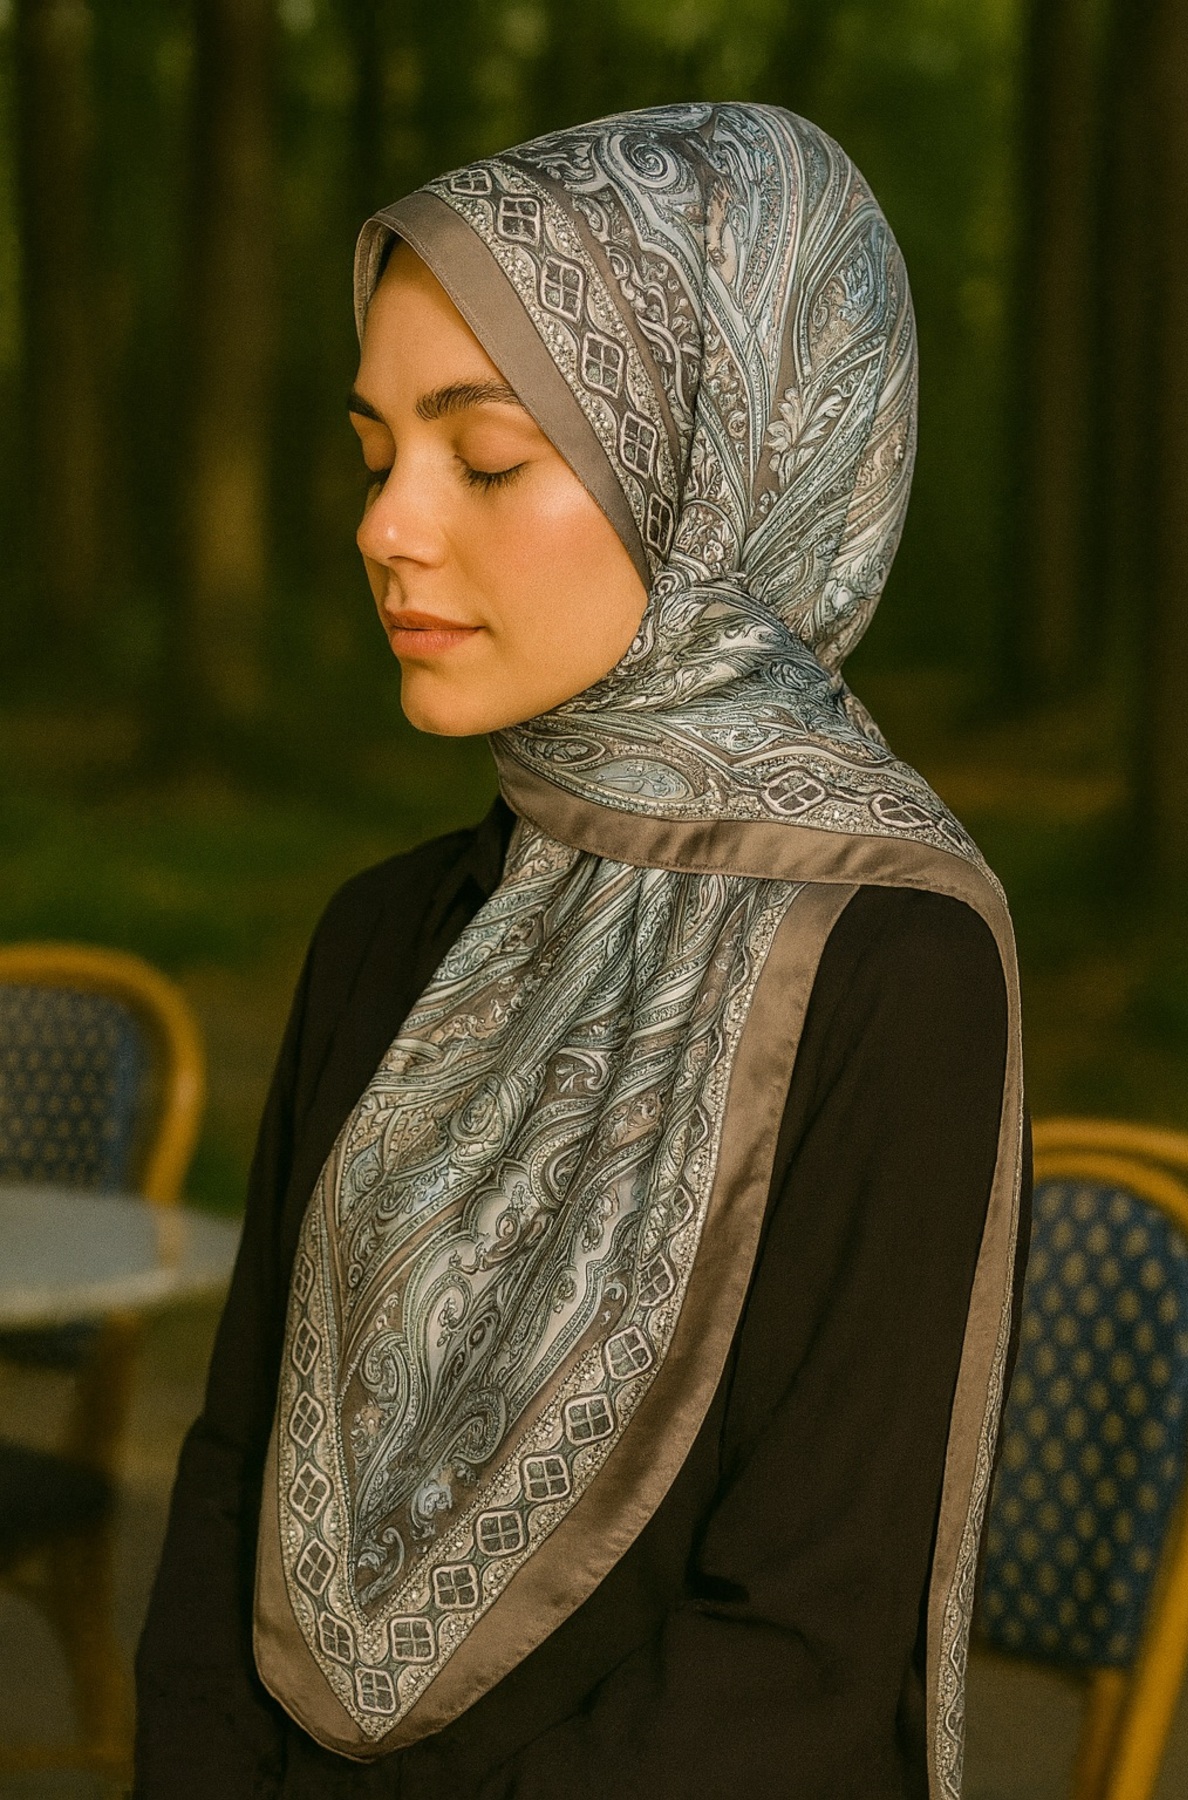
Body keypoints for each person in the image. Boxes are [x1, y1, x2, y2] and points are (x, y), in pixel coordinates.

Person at [135, 102, 1027, 1800]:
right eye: (375, 453)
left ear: (718, 478)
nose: (386, 527)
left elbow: (806, 1648)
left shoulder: (890, 966)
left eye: (482, 459)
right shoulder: (380, 935)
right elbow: (231, 1481)